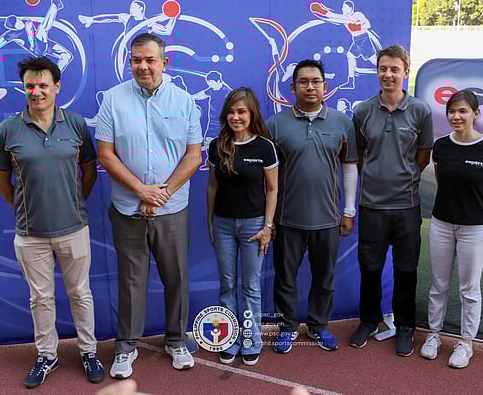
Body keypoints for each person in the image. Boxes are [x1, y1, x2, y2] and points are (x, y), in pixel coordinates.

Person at [0, 56, 103, 388]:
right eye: (30, 86)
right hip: (30, 234)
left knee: (80, 293)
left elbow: (88, 173)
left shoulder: (76, 124)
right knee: (40, 298)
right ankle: (47, 356)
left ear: (57, 87)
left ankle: (89, 351)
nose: (36, 91)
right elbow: (1, 181)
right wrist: (25, 209)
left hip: (74, 228)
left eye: (43, 85)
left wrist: (71, 203)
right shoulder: (8, 129)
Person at [95, 33, 202, 377]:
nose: (143, 66)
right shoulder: (113, 100)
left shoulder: (184, 101)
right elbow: (105, 154)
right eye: (136, 60)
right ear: (130, 62)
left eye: (150, 60)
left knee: (176, 278)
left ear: (164, 62)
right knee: (132, 281)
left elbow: (194, 155)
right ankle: (126, 348)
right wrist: (141, 190)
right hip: (128, 209)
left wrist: (161, 194)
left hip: (171, 208)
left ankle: (176, 340)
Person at [267, 59, 358, 353]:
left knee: (324, 278)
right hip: (287, 218)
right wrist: (268, 219)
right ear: (293, 87)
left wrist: (348, 212)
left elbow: (349, 167)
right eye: (303, 82)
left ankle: (319, 326)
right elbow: (266, 178)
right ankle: (287, 327)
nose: (310, 87)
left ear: (325, 86)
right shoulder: (275, 125)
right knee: (285, 278)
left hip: (328, 218)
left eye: (316, 81)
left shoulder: (342, 123)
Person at [350, 44, 434, 356]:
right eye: (383, 69)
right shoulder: (363, 111)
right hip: (372, 205)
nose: (388, 74)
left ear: (406, 72)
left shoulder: (421, 111)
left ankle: (405, 326)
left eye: (394, 69)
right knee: (370, 267)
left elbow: (423, 157)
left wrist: (400, 177)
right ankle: (369, 321)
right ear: (377, 71)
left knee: (406, 270)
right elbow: (359, 155)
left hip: (406, 206)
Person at [420, 89, 483, 368]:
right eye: (452, 111)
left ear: (475, 113)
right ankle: (433, 335)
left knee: (469, 289)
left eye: (462, 111)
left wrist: (475, 217)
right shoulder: (441, 146)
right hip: (441, 224)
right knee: (438, 285)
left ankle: (466, 343)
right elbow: (442, 180)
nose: (456, 116)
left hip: (474, 230)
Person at [206, 87, 278, 366]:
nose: (235, 117)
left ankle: (250, 340)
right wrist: (210, 220)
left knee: (250, 287)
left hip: (254, 226)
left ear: (252, 114)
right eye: (231, 112)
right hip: (223, 225)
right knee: (227, 286)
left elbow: (272, 189)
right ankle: (228, 339)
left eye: (241, 112)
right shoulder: (217, 145)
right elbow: (213, 186)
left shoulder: (264, 147)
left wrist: (267, 227)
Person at [0, 0, 72, 72]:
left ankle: (55, 75)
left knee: (66, 55)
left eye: (18, 20)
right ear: (14, 27)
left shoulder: (25, 21)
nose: (19, 22)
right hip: (36, 48)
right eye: (17, 24)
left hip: (43, 43)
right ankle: (55, 5)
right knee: (42, 29)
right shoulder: (11, 35)